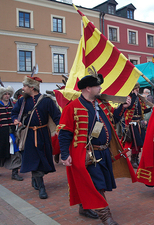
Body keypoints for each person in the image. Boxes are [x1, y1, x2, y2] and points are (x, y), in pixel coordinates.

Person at [58, 68, 136, 225]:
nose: (100, 88)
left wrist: (123, 107)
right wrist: (65, 155)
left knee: (94, 182)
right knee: (97, 184)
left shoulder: (101, 103)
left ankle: (84, 207)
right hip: (86, 153)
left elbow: (114, 118)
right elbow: (64, 133)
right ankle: (106, 217)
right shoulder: (72, 107)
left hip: (104, 151)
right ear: (88, 88)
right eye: (97, 86)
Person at [12, 76, 61, 199]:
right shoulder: (22, 101)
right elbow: (14, 113)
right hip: (29, 134)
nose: (23, 89)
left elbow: (57, 116)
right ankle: (41, 187)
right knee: (34, 159)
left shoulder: (47, 101)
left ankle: (36, 177)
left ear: (32, 87)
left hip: (43, 134)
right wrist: (16, 120)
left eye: (25, 86)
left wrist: (60, 128)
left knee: (43, 158)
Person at [124, 82, 151, 168]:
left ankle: (136, 159)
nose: (137, 90)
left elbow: (143, 110)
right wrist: (134, 95)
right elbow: (129, 107)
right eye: (136, 88)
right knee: (134, 143)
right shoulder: (129, 97)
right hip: (132, 123)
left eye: (138, 89)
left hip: (139, 122)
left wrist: (152, 108)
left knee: (139, 142)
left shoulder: (139, 99)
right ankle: (133, 159)